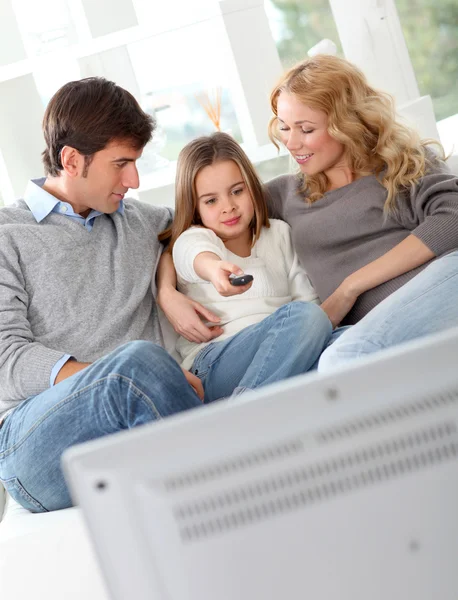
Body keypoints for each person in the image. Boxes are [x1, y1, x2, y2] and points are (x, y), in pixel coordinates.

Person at [158, 55, 458, 372]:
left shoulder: (403, 163)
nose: (292, 142)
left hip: (442, 286)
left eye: (306, 129)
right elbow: (186, 228)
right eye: (285, 128)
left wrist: (350, 287)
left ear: (348, 123)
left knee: (344, 359)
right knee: (338, 363)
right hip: (377, 331)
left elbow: (451, 218)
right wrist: (167, 294)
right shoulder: (285, 195)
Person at [0, 77, 206, 513]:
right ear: (72, 160)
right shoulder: (7, 237)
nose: (133, 179)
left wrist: (167, 289)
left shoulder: (136, 220)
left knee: (300, 324)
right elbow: (6, 360)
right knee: (137, 363)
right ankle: (222, 483)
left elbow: (194, 226)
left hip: (142, 417)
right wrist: (120, 374)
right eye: (121, 163)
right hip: (35, 444)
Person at [159, 132, 332, 403]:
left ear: (252, 187)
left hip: (281, 350)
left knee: (343, 339)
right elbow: (194, 257)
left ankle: (255, 402)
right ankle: (246, 413)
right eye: (211, 201)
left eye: (237, 191)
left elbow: (308, 303)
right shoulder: (196, 238)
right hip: (217, 361)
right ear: (196, 208)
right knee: (305, 318)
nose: (228, 207)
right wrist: (215, 270)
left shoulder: (279, 234)